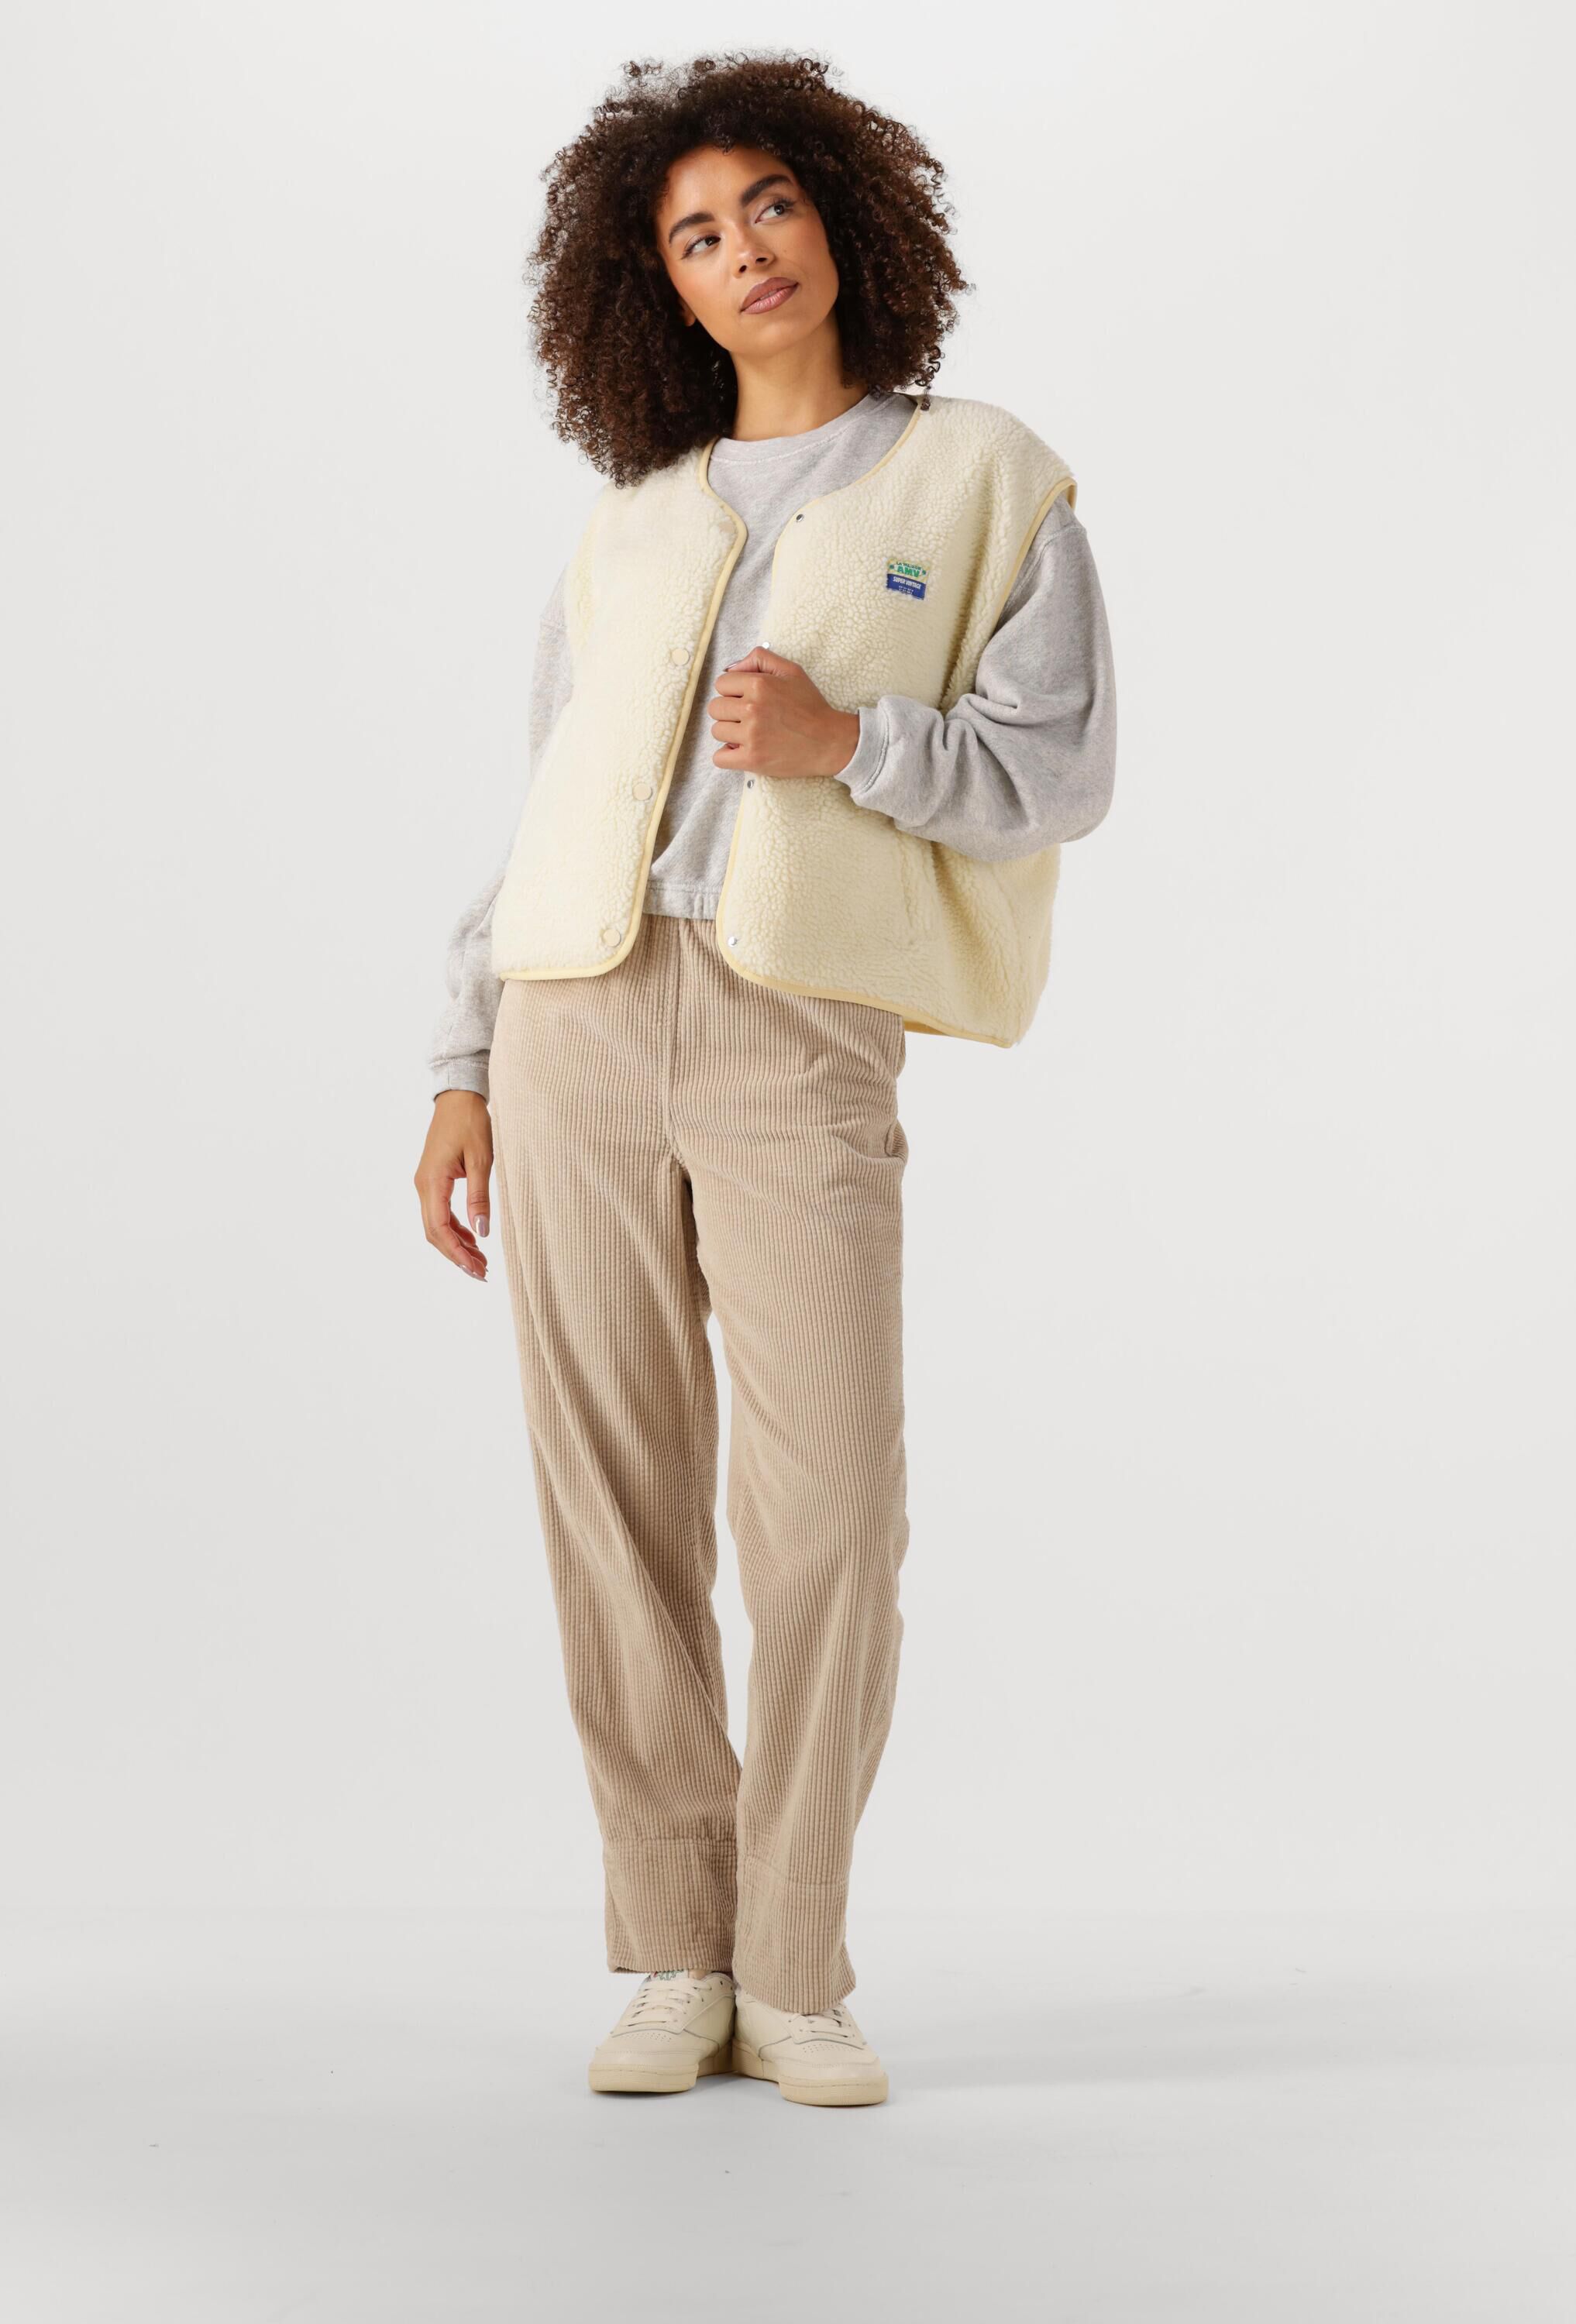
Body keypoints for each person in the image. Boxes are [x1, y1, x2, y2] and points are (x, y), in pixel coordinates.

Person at [415, 51, 1117, 2108]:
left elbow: (1060, 770)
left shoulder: (981, 478)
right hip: (573, 1020)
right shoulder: (633, 521)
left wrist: (848, 747)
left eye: (772, 207)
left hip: (792, 1026)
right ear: (656, 284)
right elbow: (557, 801)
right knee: (611, 1499)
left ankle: (794, 1959)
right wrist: (462, 1058)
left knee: (825, 1510)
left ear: (845, 217)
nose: (745, 254)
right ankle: (675, 1949)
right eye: (696, 234)